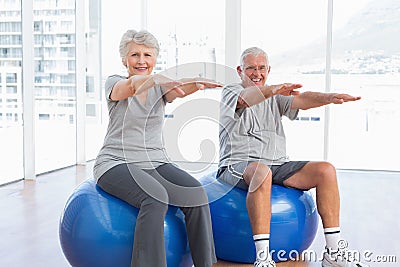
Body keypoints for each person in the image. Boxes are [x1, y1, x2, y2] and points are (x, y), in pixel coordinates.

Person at [217, 47, 369, 267]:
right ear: (240, 70)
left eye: (261, 68)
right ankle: (263, 258)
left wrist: (329, 97)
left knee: (326, 170)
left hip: (277, 163)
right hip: (238, 164)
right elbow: (246, 99)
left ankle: (333, 253)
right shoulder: (232, 91)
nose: (256, 73)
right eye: (250, 68)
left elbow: (302, 100)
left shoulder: (274, 95)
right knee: (261, 173)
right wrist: (272, 90)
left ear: (268, 70)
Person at [93, 29, 221, 267]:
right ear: (124, 60)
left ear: (154, 59)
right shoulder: (115, 83)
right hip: (115, 163)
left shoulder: (159, 87)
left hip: (154, 162)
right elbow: (131, 87)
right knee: (155, 198)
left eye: (147, 55)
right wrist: (159, 79)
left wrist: (198, 84)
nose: (141, 61)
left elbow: (177, 89)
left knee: (196, 194)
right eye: (135, 55)